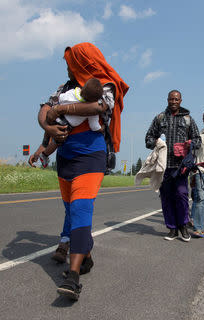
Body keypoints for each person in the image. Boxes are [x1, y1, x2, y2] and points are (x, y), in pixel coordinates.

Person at [38, 42, 129, 300]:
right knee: (70, 209)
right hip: (65, 157)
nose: (67, 68)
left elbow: (98, 107)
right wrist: (49, 128)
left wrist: (61, 109)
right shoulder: (65, 87)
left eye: (70, 63)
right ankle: (85, 256)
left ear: (82, 63)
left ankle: (73, 277)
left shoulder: (105, 83)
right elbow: (44, 109)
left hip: (91, 156)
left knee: (80, 208)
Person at [145, 90, 201, 242]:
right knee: (166, 197)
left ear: (181, 100)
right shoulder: (159, 118)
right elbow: (148, 138)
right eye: (171, 99)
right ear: (167, 100)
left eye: (176, 99)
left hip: (181, 166)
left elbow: (198, 140)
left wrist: (189, 144)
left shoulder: (188, 119)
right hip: (163, 166)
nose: (174, 102)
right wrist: (157, 142)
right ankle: (172, 228)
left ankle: (183, 226)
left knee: (182, 195)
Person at [39, 78, 105, 166]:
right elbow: (93, 126)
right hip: (64, 124)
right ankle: (44, 155)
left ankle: (45, 142)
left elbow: (61, 97)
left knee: (49, 129)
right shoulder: (90, 109)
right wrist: (101, 129)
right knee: (56, 142)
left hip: (55, 116)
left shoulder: (74, 92)